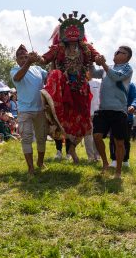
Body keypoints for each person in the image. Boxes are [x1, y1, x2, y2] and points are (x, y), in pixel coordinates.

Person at [33, 11, 101, 163]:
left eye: (75, 39)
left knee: (82, 123)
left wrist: (99, 59)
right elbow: (44, 59)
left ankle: (72, 149)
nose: (72, 43)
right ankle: (62, 148)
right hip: (63, 90)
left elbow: (96, 56)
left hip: (81, 90)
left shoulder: (86, 48)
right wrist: (37, 57)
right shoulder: (58, 48)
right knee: (64, 120)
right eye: (69, 39)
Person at [91, 46, 133, 178]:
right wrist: (90, 59)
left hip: (119, 110)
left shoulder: (127, 68)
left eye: (120, 52)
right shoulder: (107, 67)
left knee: (119, 142)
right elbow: (92, 73)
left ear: (127, 56)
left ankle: (118, 171)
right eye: (116, 51)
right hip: (103, 109)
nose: (116, 53)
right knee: (97, 136)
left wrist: (102, 63)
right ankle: (105, 163)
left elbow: (116, 77)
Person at [10, 44, 48, 175]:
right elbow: (18, 78)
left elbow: (51, 77)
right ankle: (30, 168)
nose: (24, 59)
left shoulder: (38, 69)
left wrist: (41, 59)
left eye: (26, 57)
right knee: (26, 138)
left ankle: (40, 162)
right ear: (16, 60)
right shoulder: (14, 70)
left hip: (40, 109)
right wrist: (29, 62)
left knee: (42, 137)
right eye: (21, 58)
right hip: (25, 110)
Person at [110, 82, 136, 167]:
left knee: (126, 140)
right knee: (113, 139)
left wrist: (133, 105)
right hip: (113, 115)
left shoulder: (131, 85)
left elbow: (135, 97)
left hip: (127, 116)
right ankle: (114, 160)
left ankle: (125, 160)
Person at [84, 71, 101, 162]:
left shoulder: (98, 83)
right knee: (88, 135)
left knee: (97, 135)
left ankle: (97, 156)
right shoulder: (81, 84)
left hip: (97, 112)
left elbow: (101, 97)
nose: (87, 72)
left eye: (89, 70)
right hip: (86, 113)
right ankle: (90, 156)